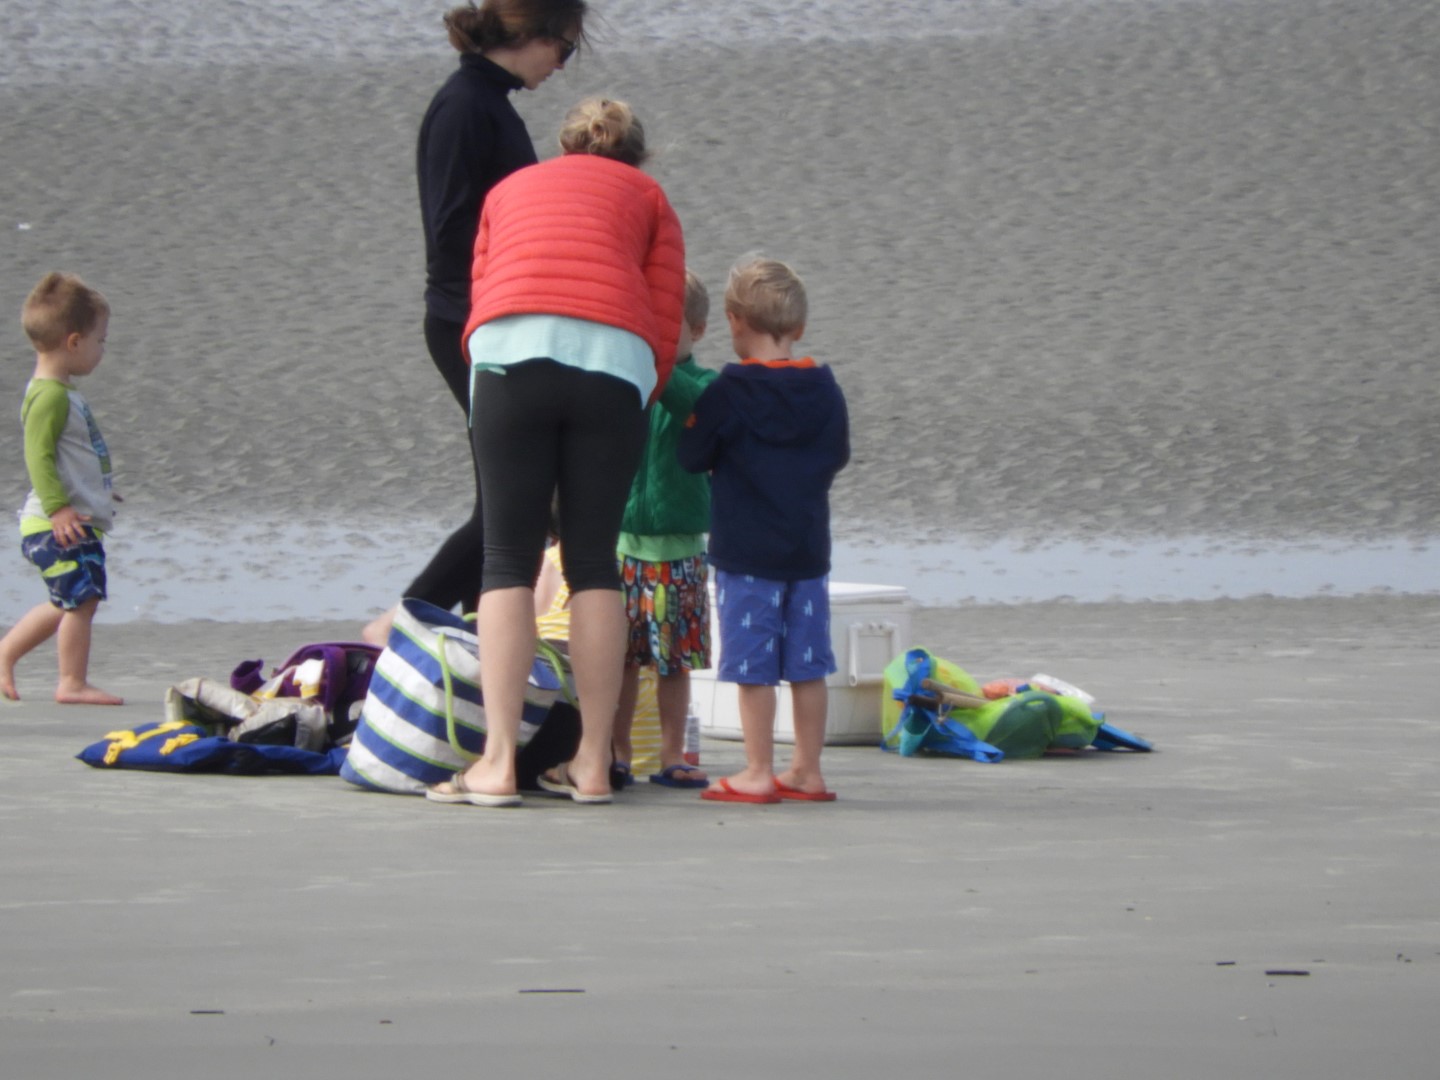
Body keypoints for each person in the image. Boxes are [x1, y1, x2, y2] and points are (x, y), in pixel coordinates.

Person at [425, 96, 685, 807]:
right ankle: (593, 764)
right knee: (594, 561)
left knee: (507, 560)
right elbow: (665, 313)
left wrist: (488, 373)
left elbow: (481, 287)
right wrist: (639, 391)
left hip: (510, 351)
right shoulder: (649, 196)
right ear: (635, 156)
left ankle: (498, 764)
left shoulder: (510, 188)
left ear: (566, 147)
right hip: (614, 359)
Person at [363, 0, 588, 647]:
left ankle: (455, 641)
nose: (561, 66)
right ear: (533, 34)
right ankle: (401, 627)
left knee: (508, 501)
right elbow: (453, 233)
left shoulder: (490, 105)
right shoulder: (465, 107)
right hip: (472, 324)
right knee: (511, 503)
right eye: (565, 49)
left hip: (492, 322)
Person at [677, 256, 849, 804]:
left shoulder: (729, 391)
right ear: (798, 327)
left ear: (734, 321)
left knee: (753, 665)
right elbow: (837, 455)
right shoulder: (824, 387)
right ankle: (807, 769)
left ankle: (757, 769)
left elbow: (691, 453)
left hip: (746, 550)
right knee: (807, 666)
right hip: (806, 548)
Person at [611, 269, 716, 791]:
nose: (651, 332)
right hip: (623, 545)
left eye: (664, 324)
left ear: (695, 330)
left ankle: (672, 753)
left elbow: (692, 407)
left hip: (679, 549)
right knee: (621, 659)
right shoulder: (626, 380)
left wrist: (655, 367)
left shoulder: (704, 385)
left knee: (675, 662)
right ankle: (618, 750)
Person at [0, 272, 123, 705]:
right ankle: (71, 682)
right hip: (56, 524)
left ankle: (6, 652)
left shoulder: (60, 392)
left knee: (67, 600)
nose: (102, 350)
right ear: (73, 342)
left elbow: (72, 457)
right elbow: (38, 457)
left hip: (67, 517)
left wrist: (98, 491)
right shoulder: (50, 397)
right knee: (82, 600)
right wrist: (59, 510)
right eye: (100, 340)